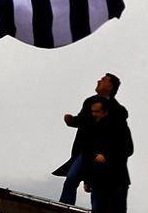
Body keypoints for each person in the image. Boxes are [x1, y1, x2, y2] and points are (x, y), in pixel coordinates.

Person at [79, 96, 143, 213]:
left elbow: (128, 149)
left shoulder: (119, 126)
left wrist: (108, 156)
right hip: (98, 179)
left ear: (105, 112)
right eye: (92, 111)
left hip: (117, 179)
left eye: (97, 111)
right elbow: (87, 154)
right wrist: (87, 179)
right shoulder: (91, 129)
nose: (94, 114)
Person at [54, 73, 126, 205]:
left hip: (103, 153)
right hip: (85, 150)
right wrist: (72, 121)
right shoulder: (89, 102)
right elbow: (82, 120)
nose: (99, 81)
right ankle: (64, 206)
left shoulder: (118, 110)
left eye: (103, 80)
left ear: (110, 87)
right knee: (71, 178)